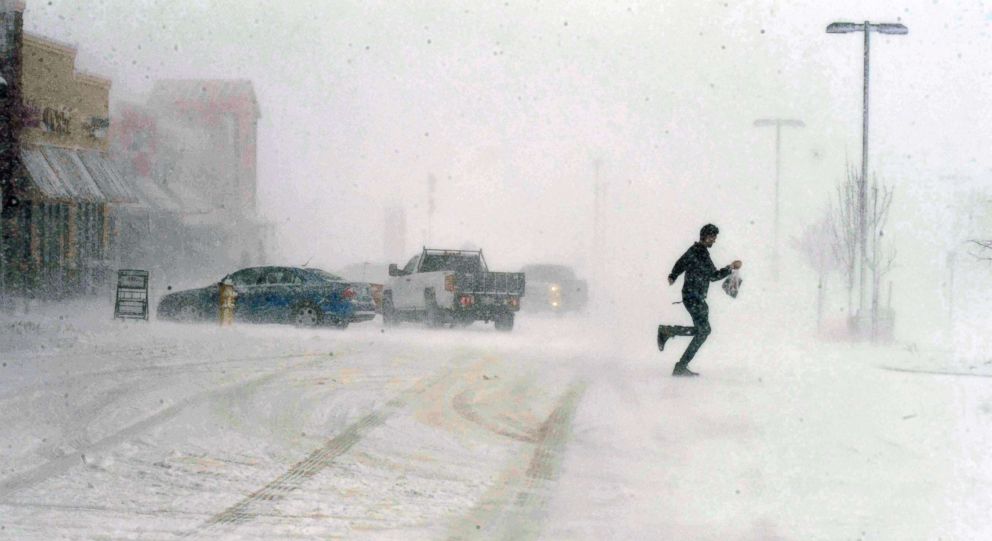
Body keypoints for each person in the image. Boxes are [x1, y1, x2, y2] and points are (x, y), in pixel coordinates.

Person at [657, 223, 742, 377]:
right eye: (712, 237)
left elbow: (680, 263)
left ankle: (671, 339)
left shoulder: (696, 251)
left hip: (695, 297)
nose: (714, 241)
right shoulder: (699, 252)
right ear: (705, 236)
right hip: (693, 297)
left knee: (703, 331)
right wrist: (730, 267)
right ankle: (670, 339)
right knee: (704, 331)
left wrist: (673, 275)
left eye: (715, 237)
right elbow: (713, 276)